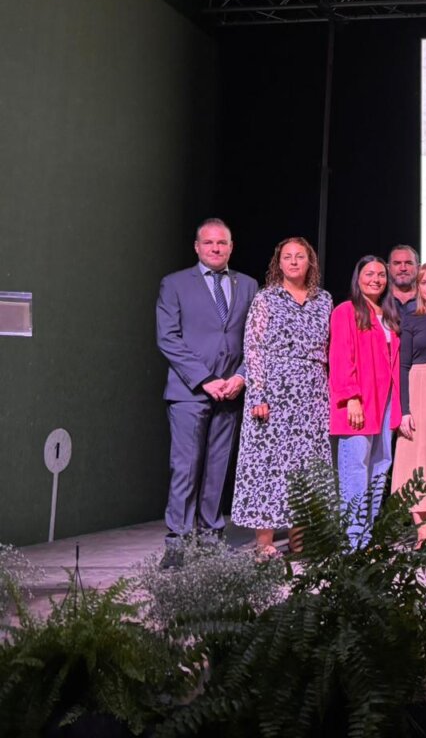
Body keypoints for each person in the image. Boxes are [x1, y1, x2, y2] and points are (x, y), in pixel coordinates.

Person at [155, 218, 258, 569]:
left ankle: (211, 536)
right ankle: (178, 542)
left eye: (222, 243)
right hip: (189, 391)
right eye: (209, 243)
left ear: (231, 247)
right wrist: (204, 380)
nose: (216, 248)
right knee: (185, 467)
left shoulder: (247, 284)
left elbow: (254, 339)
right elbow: (168, 338)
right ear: (197, 247)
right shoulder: (175, 284)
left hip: (230, 391)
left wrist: (241, 376)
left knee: (217, 467)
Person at [231, 237, 332, 557]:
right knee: (268, 465)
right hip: (273, 391)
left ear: (309, 262)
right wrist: (258, 393)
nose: (293, 262)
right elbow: (255, 348)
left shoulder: (323, 299)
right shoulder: (266, 299)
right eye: (287, 257)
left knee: (305, 466)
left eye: (299, 257)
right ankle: (265, 542)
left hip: (312, 392)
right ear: (279, 262)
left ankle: (300, 538)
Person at [329, 255, 402, 549]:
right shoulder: (346, 311)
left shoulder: (388, 315)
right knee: (355, 469)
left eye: (381, 275)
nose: (376, 279)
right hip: (359, 400)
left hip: (385, 402)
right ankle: (353, 539)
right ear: (358, 278)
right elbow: (340, 356)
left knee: (381, 465)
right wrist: (351, 398)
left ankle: (367, 535)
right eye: (369, 273)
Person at [389, 262, 426, 547]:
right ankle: (422, 531)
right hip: (420, 387)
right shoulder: (412, 319)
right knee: (416, 458)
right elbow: (403, 366)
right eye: (423, 282)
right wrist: (404, 410)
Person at [387, 245, 421, 314]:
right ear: (388, 268)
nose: (403, 268)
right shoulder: (379, 298)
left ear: (418, 268)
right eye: (397, 263)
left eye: (409, 263)